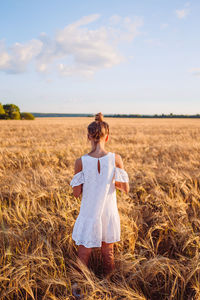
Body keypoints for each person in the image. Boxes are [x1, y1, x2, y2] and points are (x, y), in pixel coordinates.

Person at [70, 112, 129, 277]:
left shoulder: (80, 161)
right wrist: (109, 182)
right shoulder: (116, 159)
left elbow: (76, 193)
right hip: (108, 213)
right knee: (108, 253)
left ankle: (77, 286)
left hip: (89, 213)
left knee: (83, 253)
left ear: (88, 136)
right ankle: (109, 286)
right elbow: (125, 188)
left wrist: (89, 184)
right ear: (107, 137)